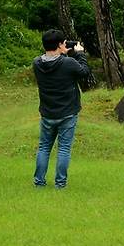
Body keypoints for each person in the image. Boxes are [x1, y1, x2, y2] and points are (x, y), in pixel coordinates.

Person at [32, 28, 91, 189]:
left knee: (44, 147)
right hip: (67, 113)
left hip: (47, 112)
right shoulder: (68, 63)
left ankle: (39, 182)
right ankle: (60, 184)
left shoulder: (37, 63)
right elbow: (84, 72)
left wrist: (64, 52)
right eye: (63, 43)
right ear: (59, 44)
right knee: (64, 148)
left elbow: (55, 63)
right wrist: (79, 54)